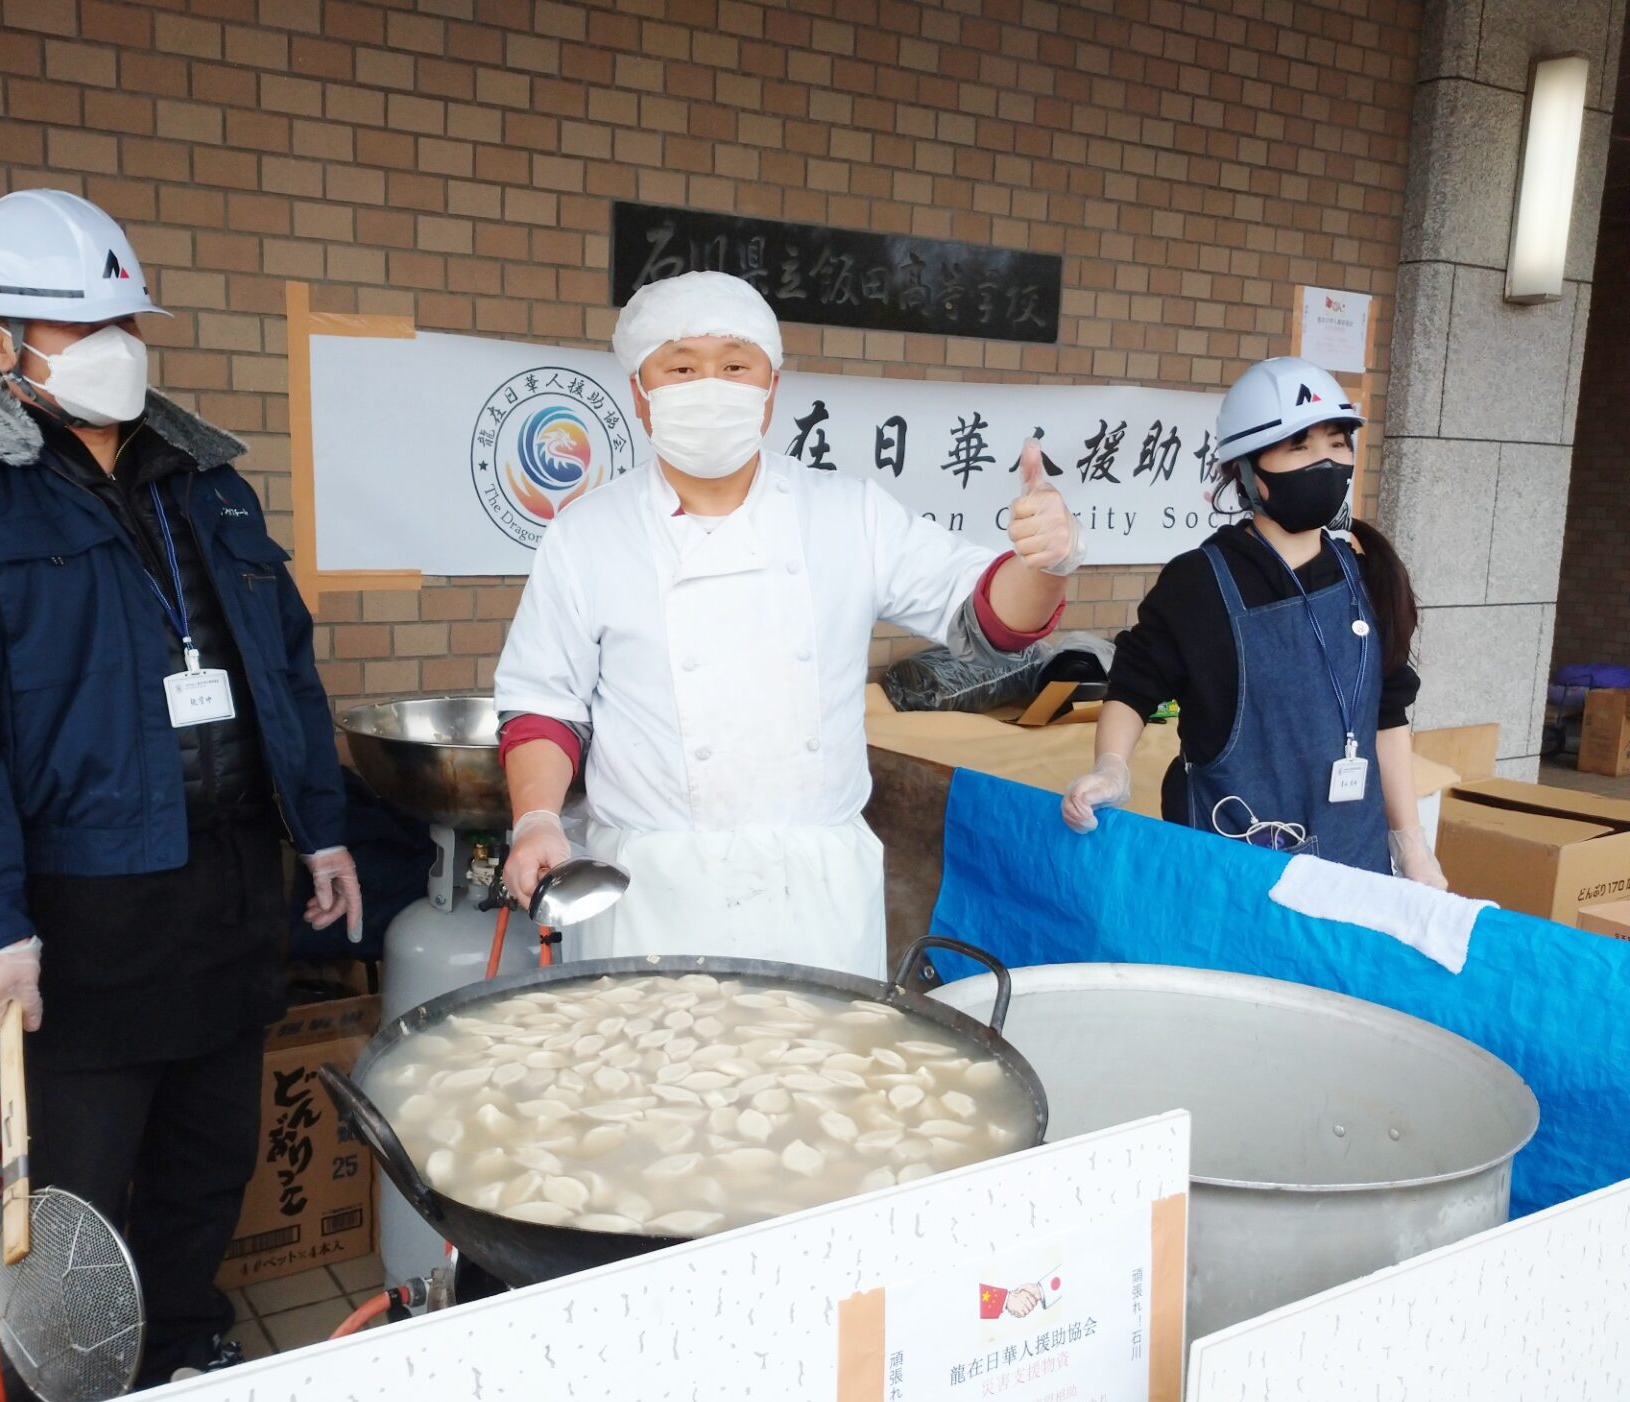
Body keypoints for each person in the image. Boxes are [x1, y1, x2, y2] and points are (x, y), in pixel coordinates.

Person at [0, 189, 361, 1388]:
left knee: (211, 1153)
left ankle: (185, 1343)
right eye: (85, 331)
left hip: (231, 888)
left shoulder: (207, 486)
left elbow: (284, 670)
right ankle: (79, 1392)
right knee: (80, 1180)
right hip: (80, 911)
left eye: (128, 322)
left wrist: (325, 833)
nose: (120, 350)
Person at [491, 271, 1085, 977]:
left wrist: (1044, 561)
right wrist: (537, 820)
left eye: (736, 366)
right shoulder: (587, 536)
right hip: (648, 888)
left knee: (822, 1079)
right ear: (639, 394)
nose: (709, 386)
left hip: (814, 889)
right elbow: (543, 705)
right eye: (680, 367)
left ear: (770, 392)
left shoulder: (846, 513)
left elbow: (989, 615)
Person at [1060, 357, 1447, 887]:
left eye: (1337, 443)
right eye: (1300, 446)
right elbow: (1134, 683)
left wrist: (1412, 848)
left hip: (1354, 865)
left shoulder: (1365, 575)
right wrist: (1111, 768)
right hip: (1234, 868)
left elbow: (1387, 718)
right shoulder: (1199, 582)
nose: (1326, 461)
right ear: (1246, 469)